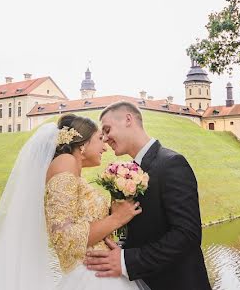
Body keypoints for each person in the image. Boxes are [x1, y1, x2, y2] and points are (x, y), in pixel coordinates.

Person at [0, 113, 140, 290]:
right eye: (100, 138)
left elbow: (80, 219)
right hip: (91, 277)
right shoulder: (65, 162)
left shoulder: (70, 168)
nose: (105, 147)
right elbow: (64, 237)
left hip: (99, 272)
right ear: (83, 143)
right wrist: (116, 219)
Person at [84, 101, 211, 290]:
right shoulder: (127, 173)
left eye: (108, 130)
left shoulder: (171, 163)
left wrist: (127, 261)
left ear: (128, 119)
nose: (105, 139)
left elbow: (187, 235)